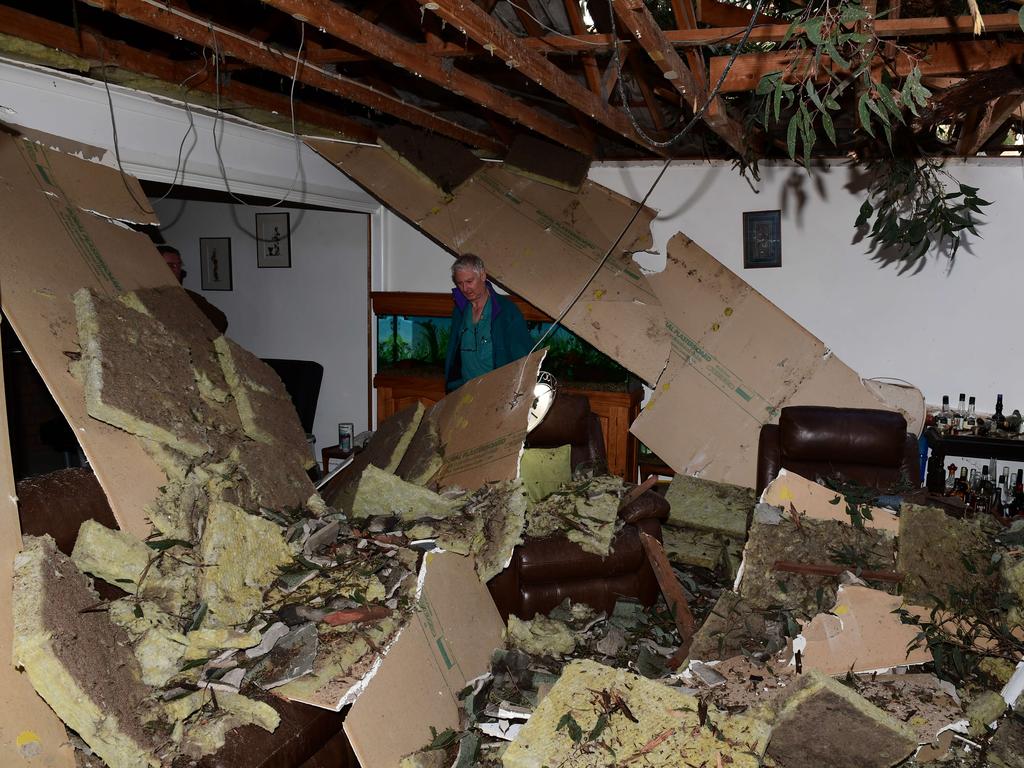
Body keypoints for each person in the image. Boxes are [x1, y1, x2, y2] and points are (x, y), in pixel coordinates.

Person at [444, 254, 533, 392]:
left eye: (469, 281)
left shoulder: (507, 311)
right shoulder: (459, 311)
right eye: (460, 283)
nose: (465, 289)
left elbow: (524, 357)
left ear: (483, 276)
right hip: (464, 393)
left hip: (497, 393)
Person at [157, 244, 229, 334]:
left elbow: (221, 320)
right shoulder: (145, 293)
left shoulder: (189, 296)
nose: (177, 270)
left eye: (179, 265)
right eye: (171, 266)